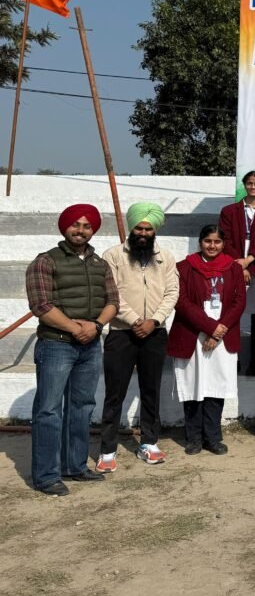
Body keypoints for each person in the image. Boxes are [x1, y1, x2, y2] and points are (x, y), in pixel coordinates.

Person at [26, 204, 119, 495]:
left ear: (93, 230)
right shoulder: (45, 262)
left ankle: (75, 466)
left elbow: (113, 301)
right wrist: (74, 327)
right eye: (75, 225)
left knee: (82, 407)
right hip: (56, 345)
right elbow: (40, 306)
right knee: (49, 410)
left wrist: (96, 326)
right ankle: (46, 475)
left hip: (90, 345)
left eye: (87, 226)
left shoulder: (99, 264)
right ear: (64, 227)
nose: (80, 230)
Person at [98, 202, 180, 473]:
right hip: (122, 333)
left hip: (155, 333)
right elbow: (111, 295)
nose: (143, 232)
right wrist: (135, 321)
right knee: (115, 392)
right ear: (131, 228)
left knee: (151, 389)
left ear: (154, 230)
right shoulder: (113, 256)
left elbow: (172, 293)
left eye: (148, 228)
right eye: (139, 227)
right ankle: (107, 448)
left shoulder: (164, 257)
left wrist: (154, 321)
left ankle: (149, 442)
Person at [168, 224, 246, 455]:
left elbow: (239, 301)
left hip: (222, 336)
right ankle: (193, 438)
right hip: (192, 335)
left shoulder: (233, 268)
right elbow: (181, 302)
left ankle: (213, 437)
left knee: (215, 387)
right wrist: (211, 328)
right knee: (193, 387)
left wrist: (218, 332)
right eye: (208, 241)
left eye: (217, 242)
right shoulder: (184, 267)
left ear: (223, 244)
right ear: (200, 242)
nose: (212, 246)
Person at [219, 170, 255, 375]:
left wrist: (249, 262)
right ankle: (231, 359)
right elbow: (224, 240)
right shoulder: (229, 211)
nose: (253, 187)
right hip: (233, 266)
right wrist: (238, 266)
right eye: (250, 183)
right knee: (232, 314)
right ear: (244, 185)